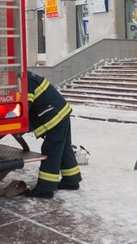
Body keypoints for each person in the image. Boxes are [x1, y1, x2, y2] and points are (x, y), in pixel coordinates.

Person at [24, 71, 82, 199]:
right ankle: (71, 181)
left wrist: (20, 127)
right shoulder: (27, 77)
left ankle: (45, 189)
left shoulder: (24, 81)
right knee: (64, 149)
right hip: (60, 112)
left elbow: (25, 108)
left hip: (53, 116)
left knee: (52, 150)